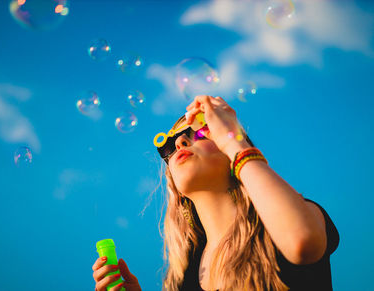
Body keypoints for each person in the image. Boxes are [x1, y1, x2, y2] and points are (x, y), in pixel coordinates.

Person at [92, 95, 339, 291]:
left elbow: (302, 242)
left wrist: (234, 141)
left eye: (200, 132)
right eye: (170, 144)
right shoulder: (184, 275)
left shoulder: (284, 221)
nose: (180, 143)